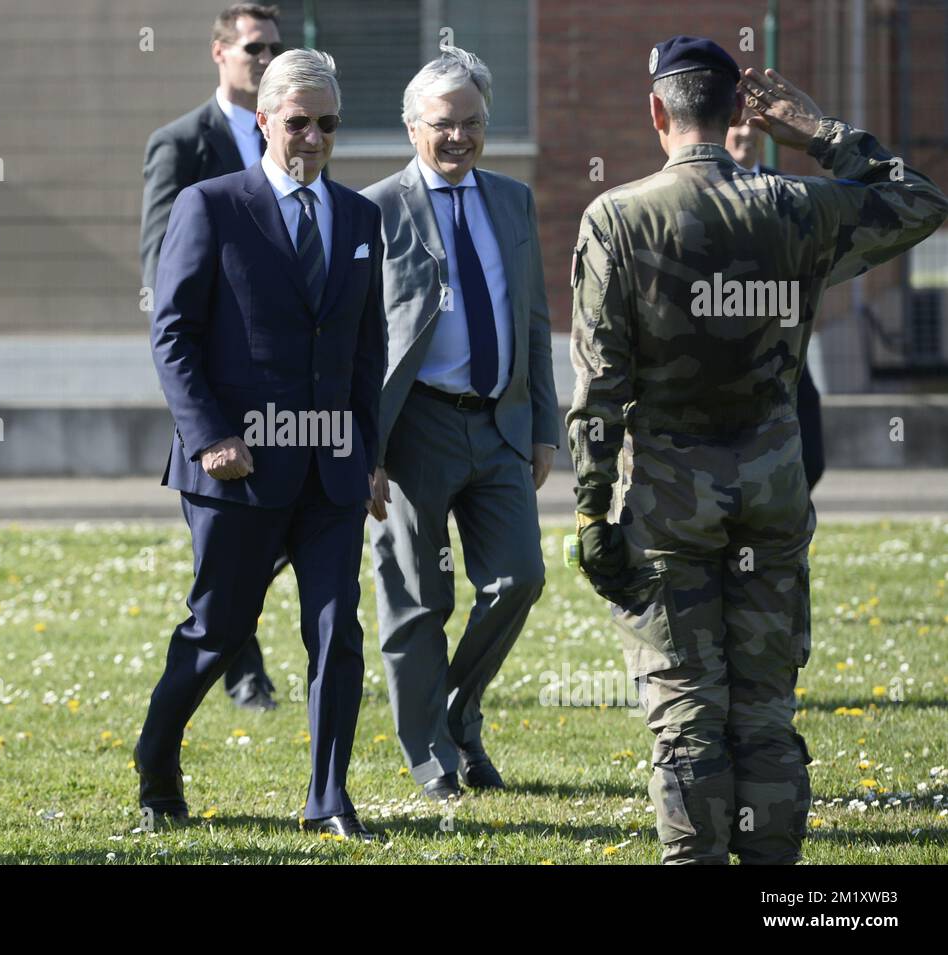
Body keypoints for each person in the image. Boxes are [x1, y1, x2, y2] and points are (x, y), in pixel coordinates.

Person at [567, 36, 947, 864]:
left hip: (670, 498)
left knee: (687, 714)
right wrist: (819, 132)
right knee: (765, 710)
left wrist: (593, 509)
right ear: (741, 113)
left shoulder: (619, 218)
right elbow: (919, 200)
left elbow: (598, 386)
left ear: (656, 112)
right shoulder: (798, 206)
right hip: (773, 487)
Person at [136, 49, 386, 840]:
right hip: (237, 467)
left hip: (332, 467)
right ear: (263, 121)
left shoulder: (360, 217)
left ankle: (327, 797)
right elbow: (173, 333)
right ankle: (156, 762)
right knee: (217, 630)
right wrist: (209, 435)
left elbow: (366, 347)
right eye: (298, 121)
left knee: (336, 629)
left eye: (328, 124)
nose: (313, 137)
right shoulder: (212, 205)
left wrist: (369, 452)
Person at [360, 47, 557, 801]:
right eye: (443, 125)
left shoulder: (512, 199)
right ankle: (431, 757)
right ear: (414, 128)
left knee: (520, 578)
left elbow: (532, 317)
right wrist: (364, 449)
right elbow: (360, 340)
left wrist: (543, 424)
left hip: (501, 425)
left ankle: (455, 708)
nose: (459, 139)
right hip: (413, 432)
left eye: (472, 123)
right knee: (419, 599)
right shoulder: (376, 207)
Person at [139, 2, 285, 711]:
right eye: (255, 49)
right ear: (220, 52)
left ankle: (236, 643)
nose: (266, 62)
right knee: (226, 526)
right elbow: (161, 260)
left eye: (275, 50)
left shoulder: (296, 134)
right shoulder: (181, 143)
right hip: (217, 369)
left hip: (289, 375)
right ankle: (240, 664)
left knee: (284, 521)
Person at [725, 119, 825, 490]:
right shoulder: (700, 189)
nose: (745, 135)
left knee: (809, 453)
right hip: (722, 340)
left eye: (753, 126)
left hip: (781, 337)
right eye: (736, 126)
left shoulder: (788, 193)